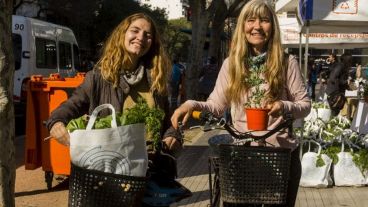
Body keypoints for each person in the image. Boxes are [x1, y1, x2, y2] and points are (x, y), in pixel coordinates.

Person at [171, 1, 311, 206]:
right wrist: (191, 104)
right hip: (242, 158)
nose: (257, 26)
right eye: (250, 20)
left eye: (264, 20)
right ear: (242, 26)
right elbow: (216, 106)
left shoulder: (287, 62)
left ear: (272, 25)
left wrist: (284, 105)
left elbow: (305, 105)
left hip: (280, 157)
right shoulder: (231, 64)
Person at [46, 13, 182, 163]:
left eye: (147, 35)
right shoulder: (98, 78)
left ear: (152, 43)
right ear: (122, 34)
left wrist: (172, 135)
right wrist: (56, 122)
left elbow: (169, 120)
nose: (141, 37)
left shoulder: (155, 79)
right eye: (135, 30)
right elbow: (71, 105)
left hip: (150, 167)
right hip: (110, 168)